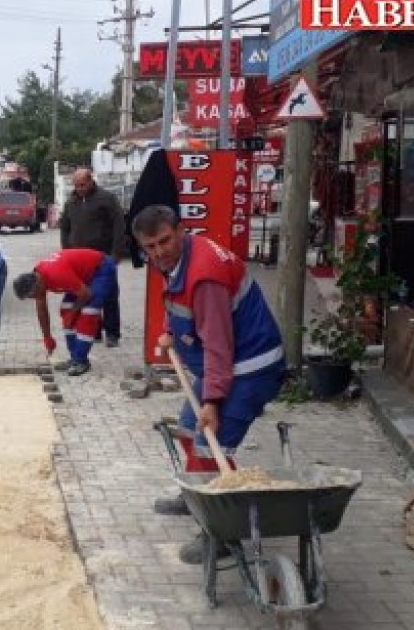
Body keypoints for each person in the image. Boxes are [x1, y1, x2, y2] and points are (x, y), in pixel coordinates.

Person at [132, 205, 285, 565]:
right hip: (227, 365)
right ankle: (196, 497)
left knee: (208, 445)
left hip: (249, 369)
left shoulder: (205, 276)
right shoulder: (180, 260)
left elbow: (218, 343)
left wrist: (213, 403)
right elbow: (186, 311)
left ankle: (223, 536)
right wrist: (171, 333)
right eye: (150, 247)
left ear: (181, 231)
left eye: (164, 241)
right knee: (188, 426)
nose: (158, 252)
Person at [12, 248, 118, 377]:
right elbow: (42, 310)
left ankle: (81, 361)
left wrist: (73, 315)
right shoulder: (38, 276)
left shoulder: (56, 274)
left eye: (33, 296)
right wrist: (47, 337)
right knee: (66, 310)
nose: (35, 299)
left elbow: (86, 294)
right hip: (81, 276)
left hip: (101, 269)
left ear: (37, 286)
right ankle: (75, 358)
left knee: (88, 313)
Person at [59, 168, 127, 347]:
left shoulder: (106, 199)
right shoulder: (71, 202)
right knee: (85, 296)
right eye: (76, 185)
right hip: (79, 261)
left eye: (82, 185)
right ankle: (93, 331)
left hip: (103, 258)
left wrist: (116, 254)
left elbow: (119, 226)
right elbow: (65, 228)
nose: (79, 188)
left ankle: (112, 333)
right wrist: (66, 252)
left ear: (91, 181)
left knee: (109, 296)